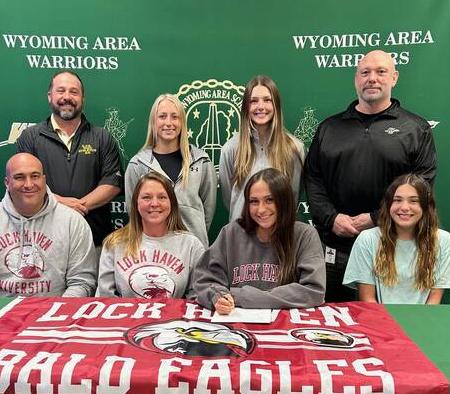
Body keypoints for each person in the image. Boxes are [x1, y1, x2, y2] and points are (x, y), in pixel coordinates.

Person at [304, 50, 437, 302]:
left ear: (394, 77)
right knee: (333, 329)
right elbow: (314, 179)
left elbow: (423, 187)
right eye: (365, 72)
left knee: (388, 331)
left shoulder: (416, 129)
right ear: (356, 79)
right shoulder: (329, 128)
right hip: (333, 253)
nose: (372, 78)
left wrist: (376, 218)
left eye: (380, 72)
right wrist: (332, 218)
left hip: (390, 250)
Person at [193, 168, 325, 312]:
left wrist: (242, 297)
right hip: (235, 324)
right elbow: (205, 280)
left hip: (285, 327)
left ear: (284, 200)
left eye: (269, 200)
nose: (261, 210)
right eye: (254, 202)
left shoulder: (305, 235)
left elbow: (313, 291)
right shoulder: (230, 232)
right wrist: (218, 296)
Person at [16, 70, 123, 246]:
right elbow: (24, 184)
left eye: (74, 92)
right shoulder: (30, 137)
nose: (67, 97)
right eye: (61, 90)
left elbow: (112, 183)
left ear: (83, 98)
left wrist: (77, 206)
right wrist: (61, 204)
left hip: (94, 241)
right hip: (43, 241)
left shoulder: (103, 137)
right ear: (50, 96)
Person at [0, 153, 96, 297]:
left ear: (44, 179)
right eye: (19, 177)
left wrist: (54, 314)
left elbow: (82, 282)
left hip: (53, 313)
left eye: (35, 176)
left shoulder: (73, 222)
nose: (28, 184)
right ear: (6, 182)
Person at [343, 174, 450, 304]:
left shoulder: (443, 241)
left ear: (426, 206)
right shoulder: (367, 239)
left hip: (424, 320)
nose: (404, 207)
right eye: (397, 200)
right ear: (388, 205)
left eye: (413, 201)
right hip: (380, 319)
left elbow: (434, 302)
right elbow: (368, 300)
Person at [124, 94, 217, 247]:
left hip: (194, 250)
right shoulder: (137, 164)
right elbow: (132, 210)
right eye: (162, 116)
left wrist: (194, 234)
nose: (168, 123)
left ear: (182, 122)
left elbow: (208, 210)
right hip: (153, 251)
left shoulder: (202, 161)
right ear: (154, 121)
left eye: (175, 117)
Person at [97, 171, 204, 298]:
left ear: (172, 203)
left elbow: (197, 297)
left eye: (162, 197)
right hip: (127, 317)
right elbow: (105, 297)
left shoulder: (191, 245)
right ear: (136, 203)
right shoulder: (114, 244)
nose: (154, 203)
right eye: (146, 197)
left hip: (174, 317)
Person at [219, 75, 304, 221]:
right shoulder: (231, 149)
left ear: (276, 105)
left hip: (280, 234)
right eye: (253, 101)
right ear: (246, 106)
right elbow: (229, 198)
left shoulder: (294, 148)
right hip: (241, 233)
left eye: (267, 100)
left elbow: (293, 196)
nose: (261, 107)